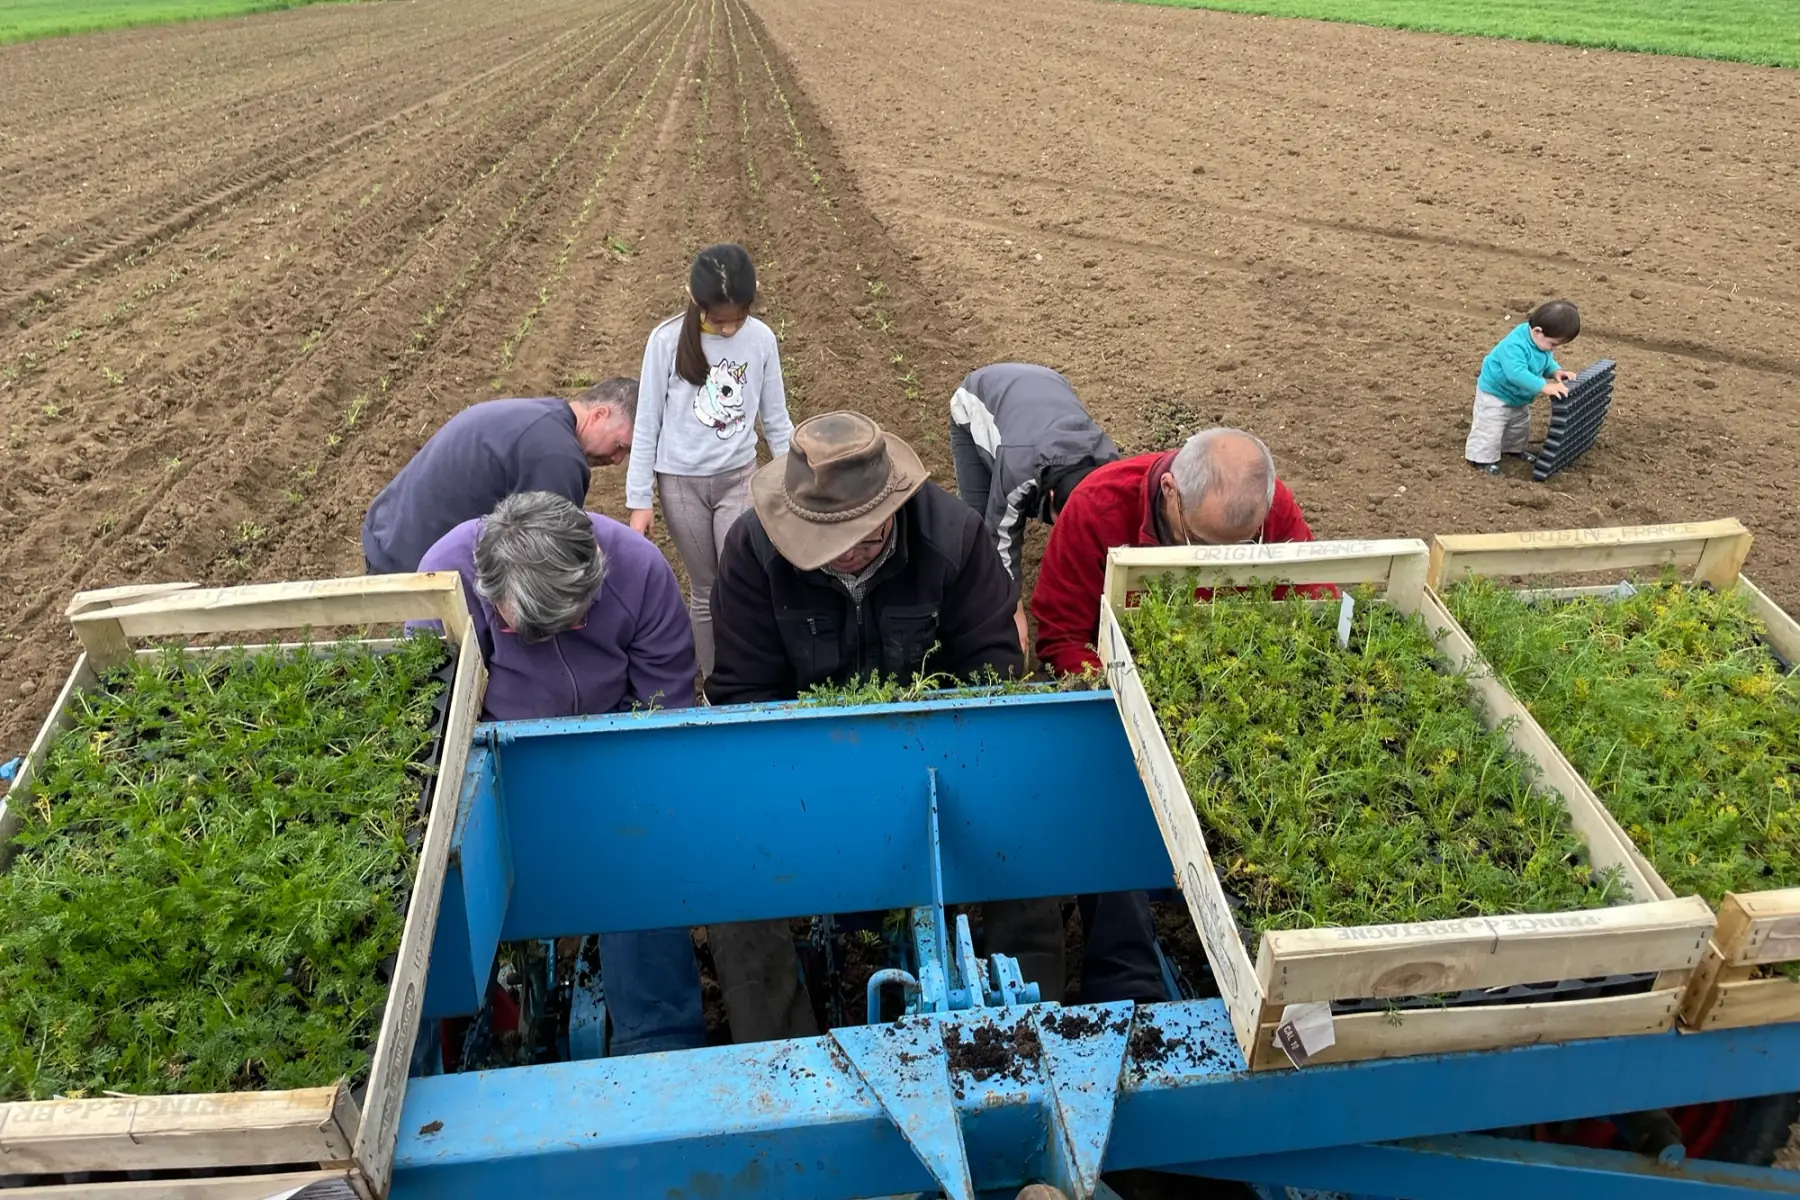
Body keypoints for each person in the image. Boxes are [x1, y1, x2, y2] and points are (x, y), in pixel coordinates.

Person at [704, 412, 1163, 1037]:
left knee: (1025, 833)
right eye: (822, 544)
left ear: (891, 510)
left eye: (862, 541)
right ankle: (789, 1063)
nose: (842, 557)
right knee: (731, 870)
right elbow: (744, 698)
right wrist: (803, 784)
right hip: (806, 765)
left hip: (940, 758)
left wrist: (949, 768)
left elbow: (992, 675)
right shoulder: (754, 550)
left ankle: (1030, 1035)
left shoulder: (952, 536)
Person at [414, 491, 705, 1054]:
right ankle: (428, 1046)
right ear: (492, 598)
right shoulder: (444, 586)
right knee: (442, 883)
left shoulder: (640, 573)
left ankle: (662, 1043)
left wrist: (618, 801)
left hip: (616, 752)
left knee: (641, 859)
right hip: (499, 763)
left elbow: (662, 710)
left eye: (571, 624)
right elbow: (435, 724)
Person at [626, 243, 795, 680]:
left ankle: (754, 675)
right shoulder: (666, 341)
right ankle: (716, 683)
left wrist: (796, 480)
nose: (727, 329)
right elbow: (647, 422)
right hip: (681, 485)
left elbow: (776, 420)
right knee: (706, 587)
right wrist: (639, 500)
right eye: (717, 320)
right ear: (693, 298)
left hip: (739, 477)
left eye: (737, 318)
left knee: (741, 579)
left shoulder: (760, 340)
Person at [1032, 427, 1319, 678]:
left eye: (1241, 546)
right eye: (1200, 541)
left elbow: (1313, 597)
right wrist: (1122, 696)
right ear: (1169, 488)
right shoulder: (1096, 509)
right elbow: (1063, 636)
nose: (1215, 563)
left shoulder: (1267, 503)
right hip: (1132, 670)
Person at [361, 379, 636, 575]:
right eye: (621, 446)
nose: (616, 460)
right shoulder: (558, 456)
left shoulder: (539, 414)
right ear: (600, 414)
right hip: (417, 569)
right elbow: (553, 558)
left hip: (386, 533)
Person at [948, 363, 1119, 649]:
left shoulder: (1109, 467)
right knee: (979, 526)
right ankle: (976, 617)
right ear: (1051, 497)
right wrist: (1014, 612)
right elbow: (1000, 538)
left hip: (1050, 383)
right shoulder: (1018, 470)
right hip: (978, 397)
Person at [1465, 299, 1581, 476]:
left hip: (1518, 396)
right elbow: (1516, 373)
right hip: (1496, 394)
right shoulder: (1514, 346)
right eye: (1554, 344)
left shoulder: (1539, 343)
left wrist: (1556, 371)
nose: (1554, 348)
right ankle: (1482, 460)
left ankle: (1513, 449)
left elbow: (1545, 360)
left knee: (1519, 426)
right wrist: (1544, 386)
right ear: (1537, 331)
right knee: (1490, 428)